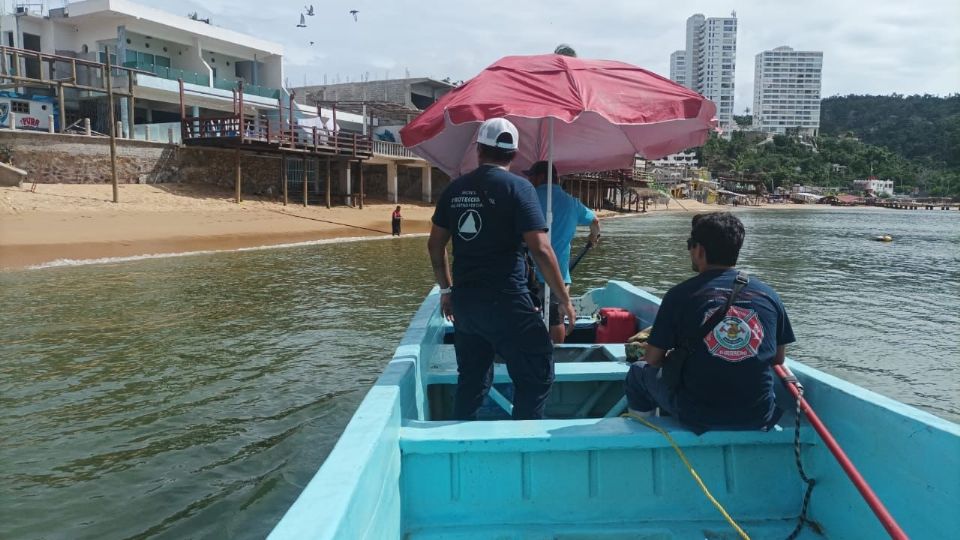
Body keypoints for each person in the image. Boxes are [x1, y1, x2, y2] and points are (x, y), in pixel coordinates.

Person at [427, 118, 575, 421]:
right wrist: (564, 299)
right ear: (514, 154)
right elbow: (541, 248)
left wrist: (446, 290)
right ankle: (523, 439)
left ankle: (460, 439)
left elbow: (435, 244)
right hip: (507, 302)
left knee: (472, 380)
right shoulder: (520, 188)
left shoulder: (455, 189)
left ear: (479, 149)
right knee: (537, 372)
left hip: (466, 305)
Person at [624, 212, 795, 432]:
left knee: (638, 372)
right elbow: (778, 358)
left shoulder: (679, 295)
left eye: (690, 245)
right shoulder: (769, 295)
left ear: (700, 250)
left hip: (697, 415)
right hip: (758, 414)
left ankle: (644, 429)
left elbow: (653, 359)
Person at [523, 161, 600, 343]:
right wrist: (593, 238)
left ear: (541, 177)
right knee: (556, 318)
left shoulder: (527, 199)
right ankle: (556, 357)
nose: (529, 180)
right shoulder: (571, 203)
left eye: (531, 176)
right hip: (559, 275)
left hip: (528, 273)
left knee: (525, 316)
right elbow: (595, 221)